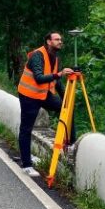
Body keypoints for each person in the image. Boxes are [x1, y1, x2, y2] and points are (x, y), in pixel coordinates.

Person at [17, 32, 75, 177]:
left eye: (61, 39)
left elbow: (57, 82)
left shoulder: (55, 58)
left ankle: (71, 145)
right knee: (26, 128)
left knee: (66, 110)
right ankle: (26, 164)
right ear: (48, 41)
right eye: (57, 39)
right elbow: (39, 78)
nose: (60, 41)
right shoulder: (37, 55)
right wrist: (59, 74)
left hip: (44, 95)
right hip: (29, 96)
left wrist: (66, 98)